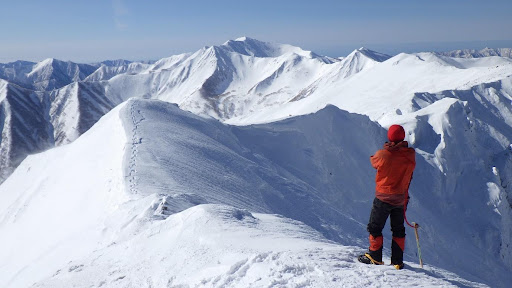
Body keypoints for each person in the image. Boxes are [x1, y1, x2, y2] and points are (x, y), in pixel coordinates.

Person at [358, 124, 416, 270]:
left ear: (389, 137)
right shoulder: (410, 155)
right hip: (400, 199)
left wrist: (386, 149)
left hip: (383, 198)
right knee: (398, 229)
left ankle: (375, 256)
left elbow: (374, 161)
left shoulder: (383, 154)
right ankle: (397, 261)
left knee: (375, 227)